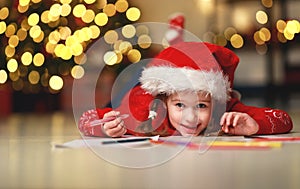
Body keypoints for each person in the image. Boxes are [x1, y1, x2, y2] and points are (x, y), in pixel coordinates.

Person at [78, 42, 293, 137]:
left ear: (215, 102)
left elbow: (284, 119)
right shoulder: (144, 113)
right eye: (179, 105)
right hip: (136, 92)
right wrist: (104, 128)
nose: (190, 118)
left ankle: (176, 38)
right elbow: (86, 119)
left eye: (201, 105)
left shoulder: (224, 111)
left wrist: (256, 126)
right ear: (164, 102)